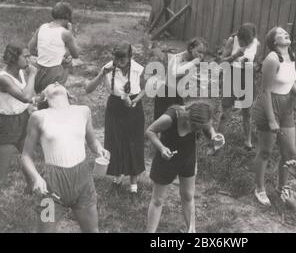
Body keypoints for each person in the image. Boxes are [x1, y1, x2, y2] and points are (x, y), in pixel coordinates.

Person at [21, 83, 108, 233]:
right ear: (43, 97)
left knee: (92, 231)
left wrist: (99, 149)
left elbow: (92, 141)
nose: (55, 82)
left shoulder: (83, 111)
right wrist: (37, 178)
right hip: (51, 185)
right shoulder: (39, 117)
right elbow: (26, 156)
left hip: (83, 180)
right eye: (49, 85)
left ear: (68, 94)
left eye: (59, 83)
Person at [252, 26, 296, 205]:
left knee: (290, 152)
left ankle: (282, 187)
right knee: (266, 151)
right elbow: (265, 91)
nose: (285, 33)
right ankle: (259, 189)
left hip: (286, 107)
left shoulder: (290, 55)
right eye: (280, 33)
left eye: (286, 32)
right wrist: (271, 119)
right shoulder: (272, 58)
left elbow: (289, 80)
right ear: (274, 41)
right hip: (269, 106)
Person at [146, 101, 224, 233]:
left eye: (198, 128)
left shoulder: (199, 119)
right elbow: (150, 131)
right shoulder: (170, 117)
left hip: (187, 159)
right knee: (158, 200)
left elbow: (208, 126)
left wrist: (213, 135)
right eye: (194, 126)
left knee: (188, 196)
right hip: (166, 160)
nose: (195, 130)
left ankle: (191, 230)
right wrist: (161, 148)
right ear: (188, 116)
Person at [86, 41, 146, 193]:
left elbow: (145, 88)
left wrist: (136, 100)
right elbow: (88, 89)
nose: (119, 63)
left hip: (133, 107)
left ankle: (133, 184)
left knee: (133, 142)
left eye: (122, 59)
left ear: (130, 57)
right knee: (115, 141)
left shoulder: (138, 69)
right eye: (116, 59)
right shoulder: (108, 68)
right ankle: (117, 177)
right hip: (115, 106)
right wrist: (102, 74)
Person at [217, 23, 260, 150]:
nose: (244, 45)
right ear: (238, 36)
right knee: (226, 110)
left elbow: (256, 61)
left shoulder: (256, 43)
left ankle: (248, 141)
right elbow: (221, 61)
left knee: (247, 111)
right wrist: (235, 56)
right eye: (242, 41)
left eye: (247, 42)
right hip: (231, 74)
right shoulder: (232, 40)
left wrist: (253, 65)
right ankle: (217, 140)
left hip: (247, 77)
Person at [0, 44, 37, 188]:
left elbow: (28, 97)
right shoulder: (4, 78)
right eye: (26, 56)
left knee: (28, 157)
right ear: (14, 58)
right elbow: (25, 97)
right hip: (6, 123)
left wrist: (37, 100)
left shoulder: (20, 72)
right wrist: (33, 75)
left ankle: (31, 189)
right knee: (2, 169)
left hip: (23, 118)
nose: (30, 59)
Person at [28, 1, 79, 99]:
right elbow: (76, 54)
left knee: (43, 100)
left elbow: (31, 49)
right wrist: (71, 33)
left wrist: (47, 55)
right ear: (68, 16)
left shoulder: (42, 27)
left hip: (39, 72)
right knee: (68, 60)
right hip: (54, 73)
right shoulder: (65, 33)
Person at [153, 37, 206, 121]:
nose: (201, 55)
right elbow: (175, 73)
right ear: (191, 48)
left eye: (203, 53)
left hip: (178, 95)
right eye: (199, 51)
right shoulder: (178, 58)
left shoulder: (192, 60)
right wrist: (193, 63)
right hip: (166, 94)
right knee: (161, 123)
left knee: (176, 123)